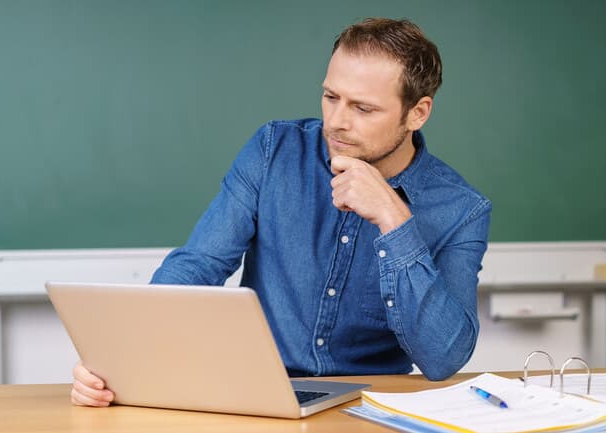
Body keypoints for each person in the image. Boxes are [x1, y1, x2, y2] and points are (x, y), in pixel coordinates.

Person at [70, 17, 491, 407]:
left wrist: (394, 220)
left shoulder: (461, 210)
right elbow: (198, 265)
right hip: (256, 394)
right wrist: (120, 361)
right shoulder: (274, 151)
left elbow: (444, 357)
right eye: (330, 97)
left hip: (370, 407)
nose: (337, 122)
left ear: (417, 112)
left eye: (363, 108)